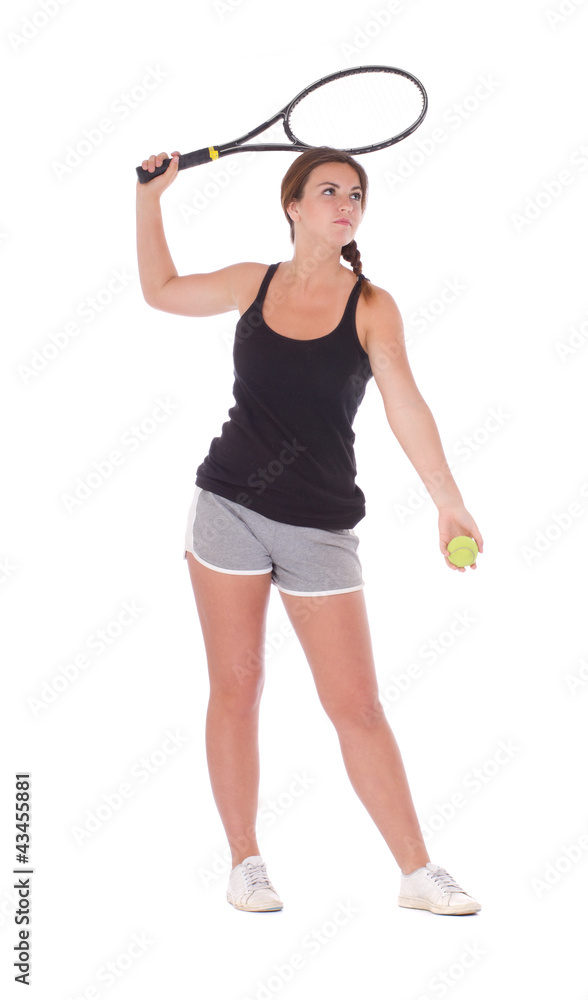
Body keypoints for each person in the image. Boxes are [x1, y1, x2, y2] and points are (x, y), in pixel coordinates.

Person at [136, 145, 484, 916]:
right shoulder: (250, 284)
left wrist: (448, 501)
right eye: (329, 191)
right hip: (227, 506)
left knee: (356, 705)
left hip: (320, 525)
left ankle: (417, 872)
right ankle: (245, 863)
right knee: (237, 687)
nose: (345, 205)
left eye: (356, 195)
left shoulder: (372, 306)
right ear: (292, 205)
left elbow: (405, 402)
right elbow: (160, 291)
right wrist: (150, 200)